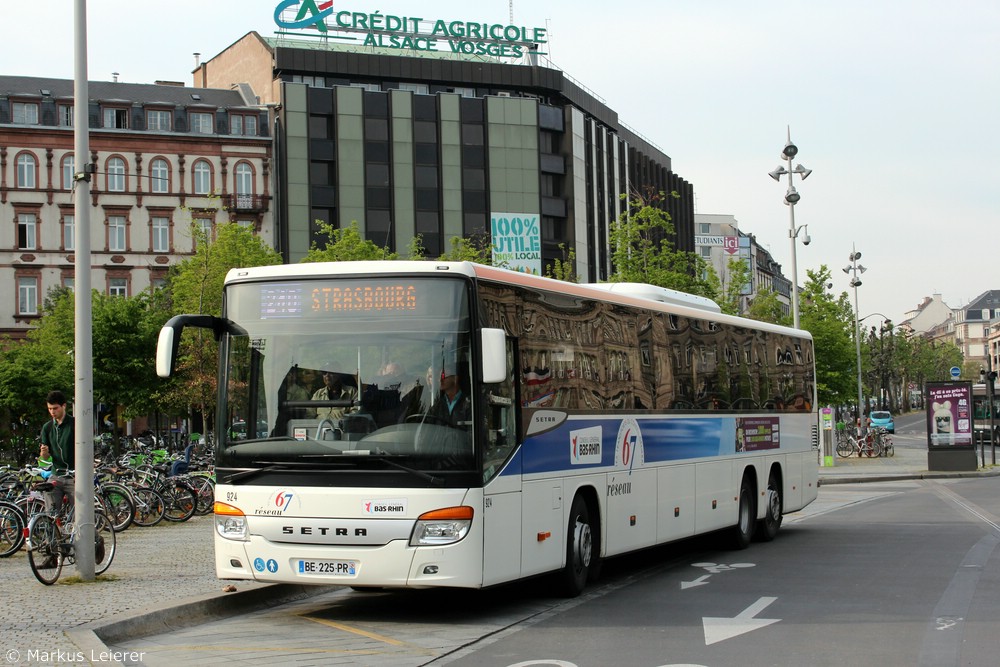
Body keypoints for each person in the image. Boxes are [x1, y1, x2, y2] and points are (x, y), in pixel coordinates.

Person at [39, 390, 75, 515]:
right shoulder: (47, 427)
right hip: (56, 473)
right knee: (51, 510)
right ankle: (53, 532)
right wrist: (44, 453)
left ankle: (92, 535)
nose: (52, 412)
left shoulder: (74, 424)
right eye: (49, 409)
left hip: (73, 475)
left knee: (81, 512)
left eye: (55, 408)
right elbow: (45, 457)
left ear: (63, 406)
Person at [430, 363, 471, 428]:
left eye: (443, 376)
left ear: (455, 378)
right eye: (439, 376)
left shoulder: (469, 404)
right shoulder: (437, 406)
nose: (440, 380)